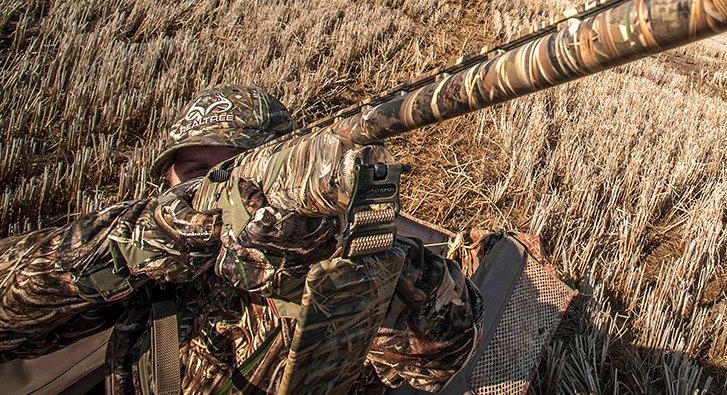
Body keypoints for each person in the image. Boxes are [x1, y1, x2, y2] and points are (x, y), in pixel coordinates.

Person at [0, 85, 478, 394]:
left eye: (235, 169)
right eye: (196, 172)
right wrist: (139, 244)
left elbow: (440, 359)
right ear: (168, 180)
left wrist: (327, 265)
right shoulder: (152, 259)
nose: (215, 186)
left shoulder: (337, 257)